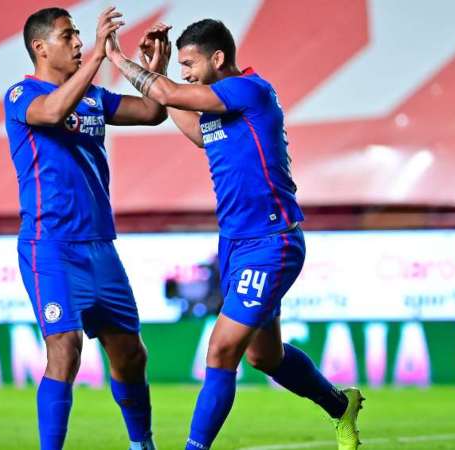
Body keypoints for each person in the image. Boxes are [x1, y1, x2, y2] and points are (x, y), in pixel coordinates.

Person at [107, 19, 364, 450]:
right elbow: (193, 128)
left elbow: (169, 93)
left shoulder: (250, 90)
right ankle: (341, 407)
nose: (186, 71)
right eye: (182, 65)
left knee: (221, 350)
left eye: (190, 63)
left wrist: (118, 59)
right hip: (233, 244)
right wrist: (165, 73)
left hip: (271, 242)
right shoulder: (217, 112)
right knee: (265, 357)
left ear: (218, 58)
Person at [2, 7, 169, 450]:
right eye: (68, 36)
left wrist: (155, 66)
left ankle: (142, 444)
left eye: (79, 36)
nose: (77, 43)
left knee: (131, 355)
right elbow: (53, 112)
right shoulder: (21, 95)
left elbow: (154, 112)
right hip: (50, 245)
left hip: (100, 246)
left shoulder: (93, 97)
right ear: (40, 47)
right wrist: (99, 53)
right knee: (65, 348)